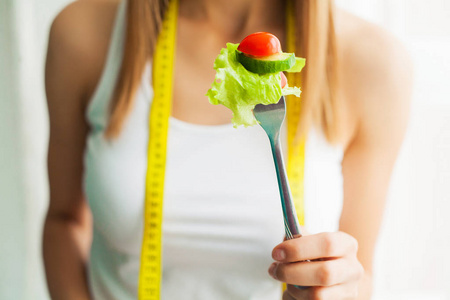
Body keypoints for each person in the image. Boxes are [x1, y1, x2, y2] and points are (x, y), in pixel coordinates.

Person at [43, 0, 413, 299]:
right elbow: (64, 221)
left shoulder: (374, 62)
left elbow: (359, 274)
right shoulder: (84, 33)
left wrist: (337, 289)